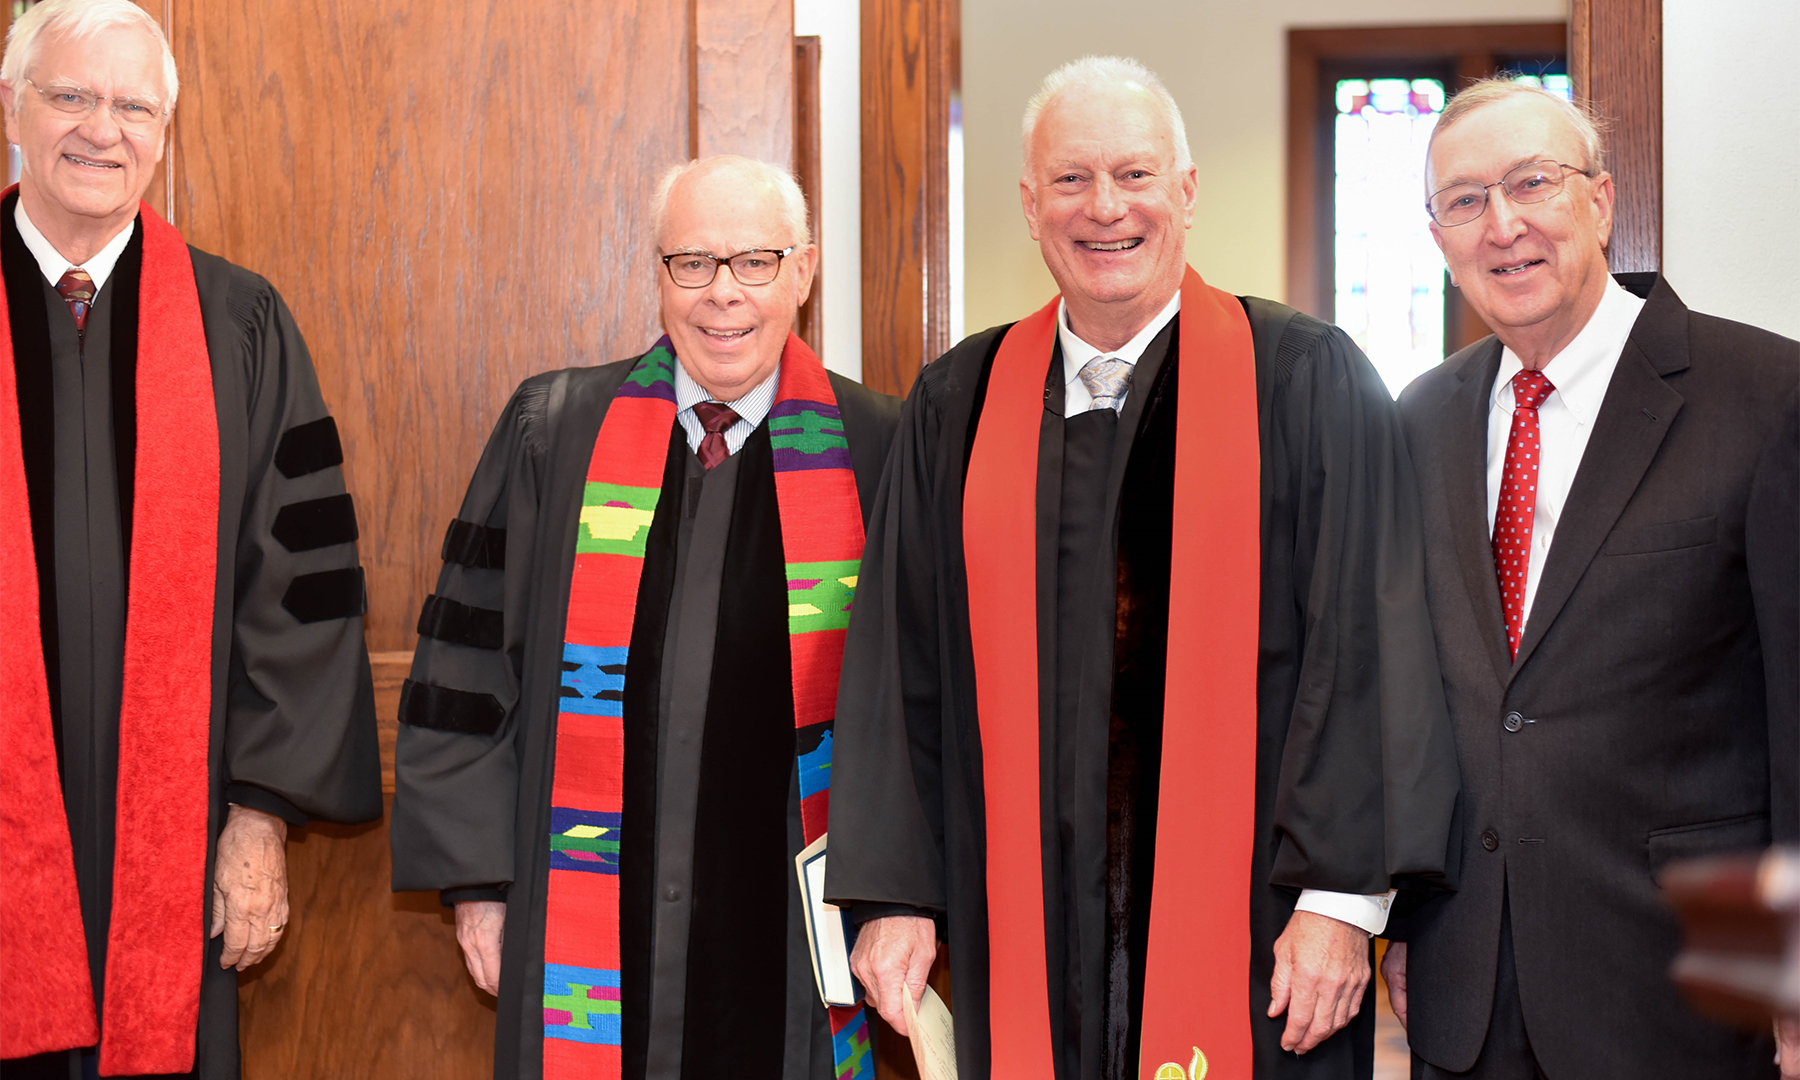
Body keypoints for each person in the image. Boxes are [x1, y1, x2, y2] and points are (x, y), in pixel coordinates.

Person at [825, 55, 1459, 1080]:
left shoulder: (1302, 380)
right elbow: (901, 663)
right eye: (1071, 181)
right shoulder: (959, 402)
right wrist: (894, 895)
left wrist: (1342, 907)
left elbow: (1371, 642)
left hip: (1263, 936)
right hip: (1016, 929)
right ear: (1030, 207)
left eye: (1135, 175)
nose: (1104, 208)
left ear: (1188, 192)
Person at [390, 154, 901, 1080]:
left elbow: (917, 702)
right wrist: (480, 885)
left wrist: (901, 898)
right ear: (658, 272)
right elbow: (467, 670)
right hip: (584, 921)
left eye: (755, 262)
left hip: (791, 934)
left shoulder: (880, 449)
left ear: (804, 271)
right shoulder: (557, 432)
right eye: (692, 264)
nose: (723, 297)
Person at [1384, 78, 1799, 1079]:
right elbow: (1408, 701)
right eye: (1466, 201)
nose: (1504, 225)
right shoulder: (1416, 421)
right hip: (1468, 987)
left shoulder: (1766, 398)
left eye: (1532, 182)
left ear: (1603, 202)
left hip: (1697, 988)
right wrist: (1395, 916)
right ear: (1437, 236)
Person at [0, 0, 380, 1079]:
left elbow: (297, 589)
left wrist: (258, 818)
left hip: (168, 837)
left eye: (133, 107)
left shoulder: (236, 325)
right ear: (14, 110)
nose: (101, 130)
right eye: (70, 95)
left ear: (164, 135)